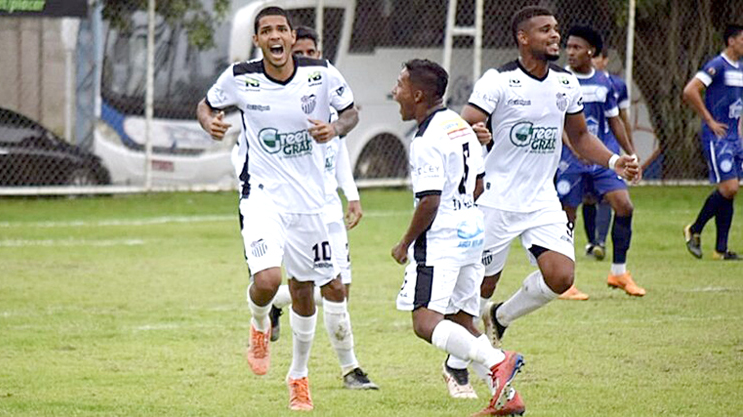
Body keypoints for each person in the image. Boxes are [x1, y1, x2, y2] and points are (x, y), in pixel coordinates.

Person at [196, 7, 361, 411]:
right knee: (269, 280)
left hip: (310, 203)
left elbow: (352, 112)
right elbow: (205, 104)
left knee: (307, 289)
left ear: (291, 37)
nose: (275, 36)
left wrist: (334, 128)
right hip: (262, 196)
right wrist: (209, 122)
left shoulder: (321, 74)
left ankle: (298, 375)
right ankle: (258, 323)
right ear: (258, 40)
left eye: (281, 29)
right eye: (266, 30)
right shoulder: (240, 77)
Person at [455, 6, 640, 352]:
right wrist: (475, 131)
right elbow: (465, 121)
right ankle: (463, 360)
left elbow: (581, 136)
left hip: (542, 199)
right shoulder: (498, 80)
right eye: (545, 30)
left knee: (561, 277)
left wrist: (615, 160)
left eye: (556, 28)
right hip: (496, 200)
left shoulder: (565, 83)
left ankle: (500, 318)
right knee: (481, 286)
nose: (555, 35)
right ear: (523, 38)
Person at [391, 58, 526, 417]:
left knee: (425, 322)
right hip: (471, 231)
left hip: (443, 237)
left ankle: (498, 361)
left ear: (418, 94)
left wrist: (405, 242)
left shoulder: (425, 139)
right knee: (464, 321)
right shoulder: (460, 125)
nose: (395, 92)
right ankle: (507, 396)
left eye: (400, 86)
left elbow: (430, 200)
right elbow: (479, 184)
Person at [267, 25, 378, 391]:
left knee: (337, 289)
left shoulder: (328, 93)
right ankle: (351, 370)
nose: (308, 58)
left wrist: (353, 194)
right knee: (329, 289)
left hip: (329, 209)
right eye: (301, 53)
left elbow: (339, 149)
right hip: (296, 211)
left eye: (313, 52)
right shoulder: (279, 104)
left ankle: (275, 302)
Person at [554, 25, 645, 300]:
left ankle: (618, 272)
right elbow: (557, 122)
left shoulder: (606, 82)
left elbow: (615, 120)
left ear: (591, 51)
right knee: (566, 215)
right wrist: (575, 148)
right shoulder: (558, 80)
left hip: (604, 159)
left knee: (624, 206)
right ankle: (565, 282)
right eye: (567, 47)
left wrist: (630, 154)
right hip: (571, 160)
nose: (569, 52)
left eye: (576, 47)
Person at [682, 24, 743, 261]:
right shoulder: (717, 65)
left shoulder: (740, 68)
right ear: (731, 41)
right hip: (717, 137)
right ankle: (694, 229)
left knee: (729, 191)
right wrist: (709, 120)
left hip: (734, 137)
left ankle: (721, 249)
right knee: (729, 188)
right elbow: (690, 91)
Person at [581, 47, 634, 261]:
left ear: (605, 60)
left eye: (597, 57)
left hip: (608, 149)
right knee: (587, 198)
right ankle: (592, 241)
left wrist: (630, 149)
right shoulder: (570, 81)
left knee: (610, 197)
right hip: (580, 151)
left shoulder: (615, 84)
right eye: (591, 57)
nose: (594, 61)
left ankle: (601, 242)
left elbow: (621, 118)